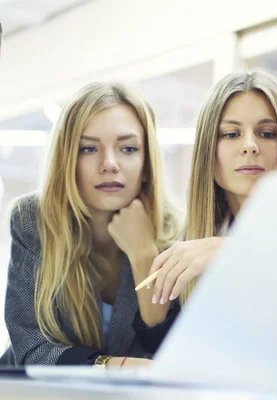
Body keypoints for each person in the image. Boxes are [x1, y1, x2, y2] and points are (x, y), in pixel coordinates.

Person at [4, 82, 180, 367]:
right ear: (66, 160)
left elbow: (167, 349)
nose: (109, 164)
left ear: (147, 163)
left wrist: (143, 254)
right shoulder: (33, 220)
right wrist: (110, 366)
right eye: (88, 149)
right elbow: (30, 347)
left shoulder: (177, 230)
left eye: (128, 148)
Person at [133, 70, 277, 352]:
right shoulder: (192, 244)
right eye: (231, 134)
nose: (250, 146)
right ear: (208, 151)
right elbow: (164, 348)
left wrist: (233, 250)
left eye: (267, 133)